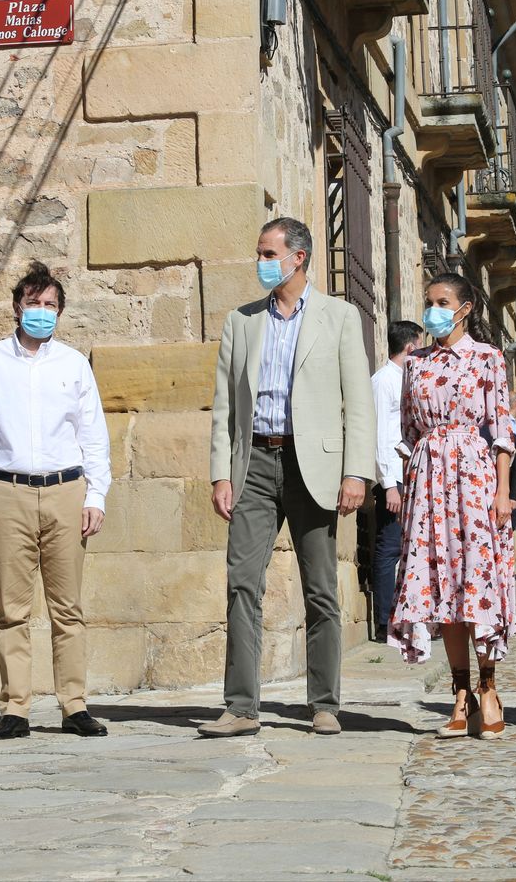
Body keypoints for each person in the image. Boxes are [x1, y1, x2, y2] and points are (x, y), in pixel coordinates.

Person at [203, 217, 375, 738]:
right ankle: (240, 707)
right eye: (259, 253)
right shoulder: (242, 320)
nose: (260, 261)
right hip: (253, 463)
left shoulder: (340, 318)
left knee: (320, 589)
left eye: (267, 252)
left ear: (297, 257)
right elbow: (224, 406)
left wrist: (356, 472)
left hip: (314, 465)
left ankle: (324, 703)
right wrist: (219, 473)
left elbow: (358, 403)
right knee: (241, 584)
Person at [0, 262, 112, 740]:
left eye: (50, 306)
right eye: (33, 304)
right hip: (7, 492)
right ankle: (15, 709)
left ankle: (74, 704)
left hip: (66, 490)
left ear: (59, 312)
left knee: (68, 608)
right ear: (17, 308)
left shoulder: (73, 364)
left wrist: (97, 494)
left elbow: (93, 434)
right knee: (12, 609)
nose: (41, 313)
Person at [388, 272, 514, 740]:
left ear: (464, 308)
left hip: (475, 477)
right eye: (428, 301)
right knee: (442, 586)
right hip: (428, 478)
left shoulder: (488, 359)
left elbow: (502, 430)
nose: (432, 310)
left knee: (475, 581)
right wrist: (408, 487)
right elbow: (407, 432)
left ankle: (488, 687)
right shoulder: (415, 364)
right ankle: (459, 694)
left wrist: (502, 492)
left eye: (442, 301)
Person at [369, 320, 423, 642]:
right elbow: (379, 434)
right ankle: (385, 622)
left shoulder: (406, 381)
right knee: (389, 549)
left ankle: (407, 619)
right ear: (410, 347)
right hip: (394, 480)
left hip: (410, 477)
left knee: (408, 550)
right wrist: (388, 482)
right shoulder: (383, 381)